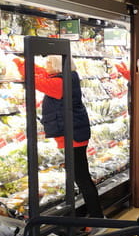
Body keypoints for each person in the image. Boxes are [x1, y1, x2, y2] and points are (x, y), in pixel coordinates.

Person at [15, 55, 104, 220]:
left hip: (73, 136)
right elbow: (42, 73)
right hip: (74, 133)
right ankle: (92, 214)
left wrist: (21, 66)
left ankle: (97, 217)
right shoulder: (67, 77)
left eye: (49, 62)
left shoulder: (59, 83)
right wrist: (23, 61)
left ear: (57, 65)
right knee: (81, 177)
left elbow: (37, 82)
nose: (46, 64)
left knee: (82, 178)